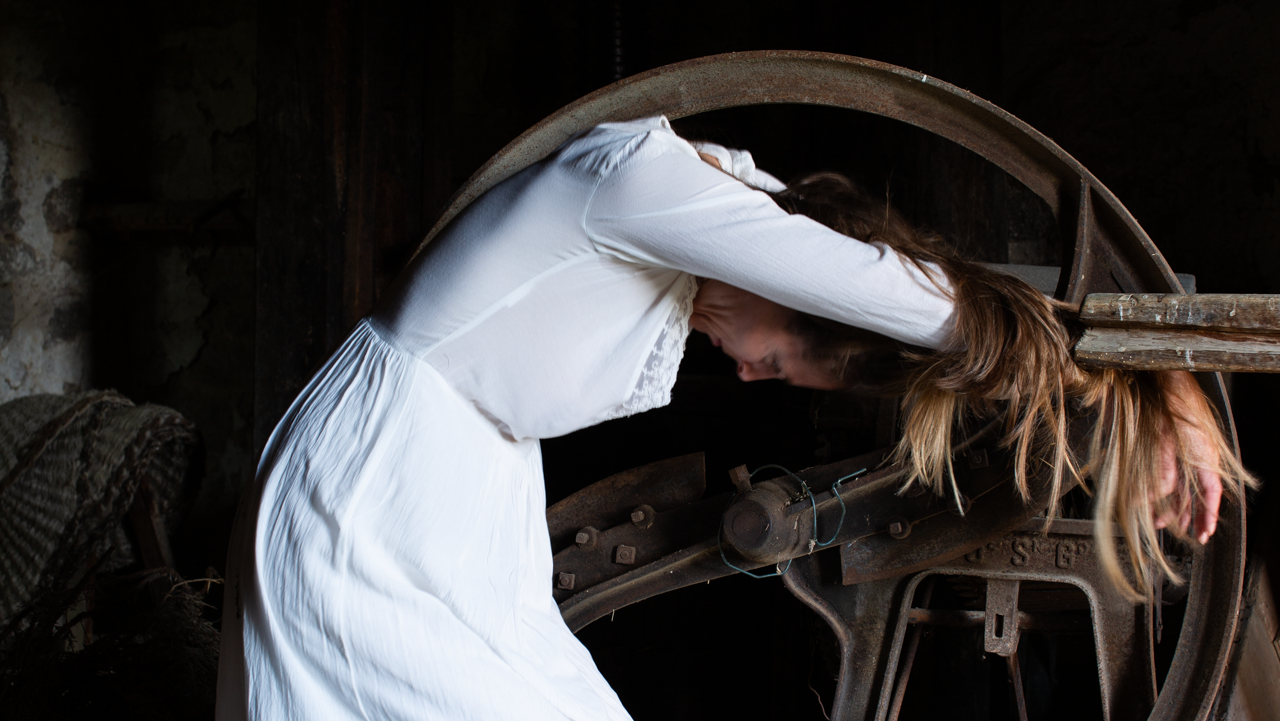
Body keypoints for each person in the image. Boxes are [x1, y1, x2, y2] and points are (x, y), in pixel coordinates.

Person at [216, 116, 1250, 720]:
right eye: (783, 359)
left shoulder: (704, 201)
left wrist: (1152, 382)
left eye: (776, 371)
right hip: (376, 493)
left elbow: (882, 267)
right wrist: (1165, 382)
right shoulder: (645, 187)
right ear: (794, 291)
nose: (750, 373)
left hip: (459, 503)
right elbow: (920, 303)